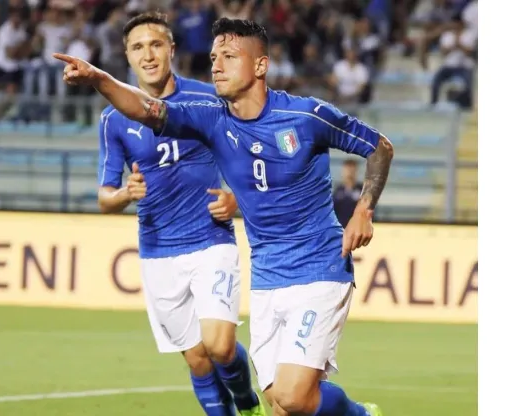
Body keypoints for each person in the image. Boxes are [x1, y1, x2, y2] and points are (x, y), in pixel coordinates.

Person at [54, 17, 394, 416]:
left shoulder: (305, 117)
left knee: (293, 396)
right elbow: (147, 109)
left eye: (230, 57)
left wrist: (364, 209)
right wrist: (99, 79)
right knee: (282, 407)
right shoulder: (212, 118)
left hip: (319, 267)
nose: (216, 65)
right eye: (214, 57)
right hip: (267, 278)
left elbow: (379, 147)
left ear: (260, 66)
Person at [96, 12, 265, 416]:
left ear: (172, 49)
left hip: (211, 239)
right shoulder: (113, 118)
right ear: (127, 55)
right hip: (158, 252)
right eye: (138, 47)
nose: (148, 55)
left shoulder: (208, 99)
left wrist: (236, 200)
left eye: (156, 44)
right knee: (197, 359)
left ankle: (248, 405)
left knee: (220, 345)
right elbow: (104, 197)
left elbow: (252, 162)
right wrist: (124, 194)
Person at [333, 159, 364, 228]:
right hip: (340, 229)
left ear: (356, 171)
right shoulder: (338, 190)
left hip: (357, 229)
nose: (350, 172)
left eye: (352, 170)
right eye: (347, 170)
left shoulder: (362, 190)